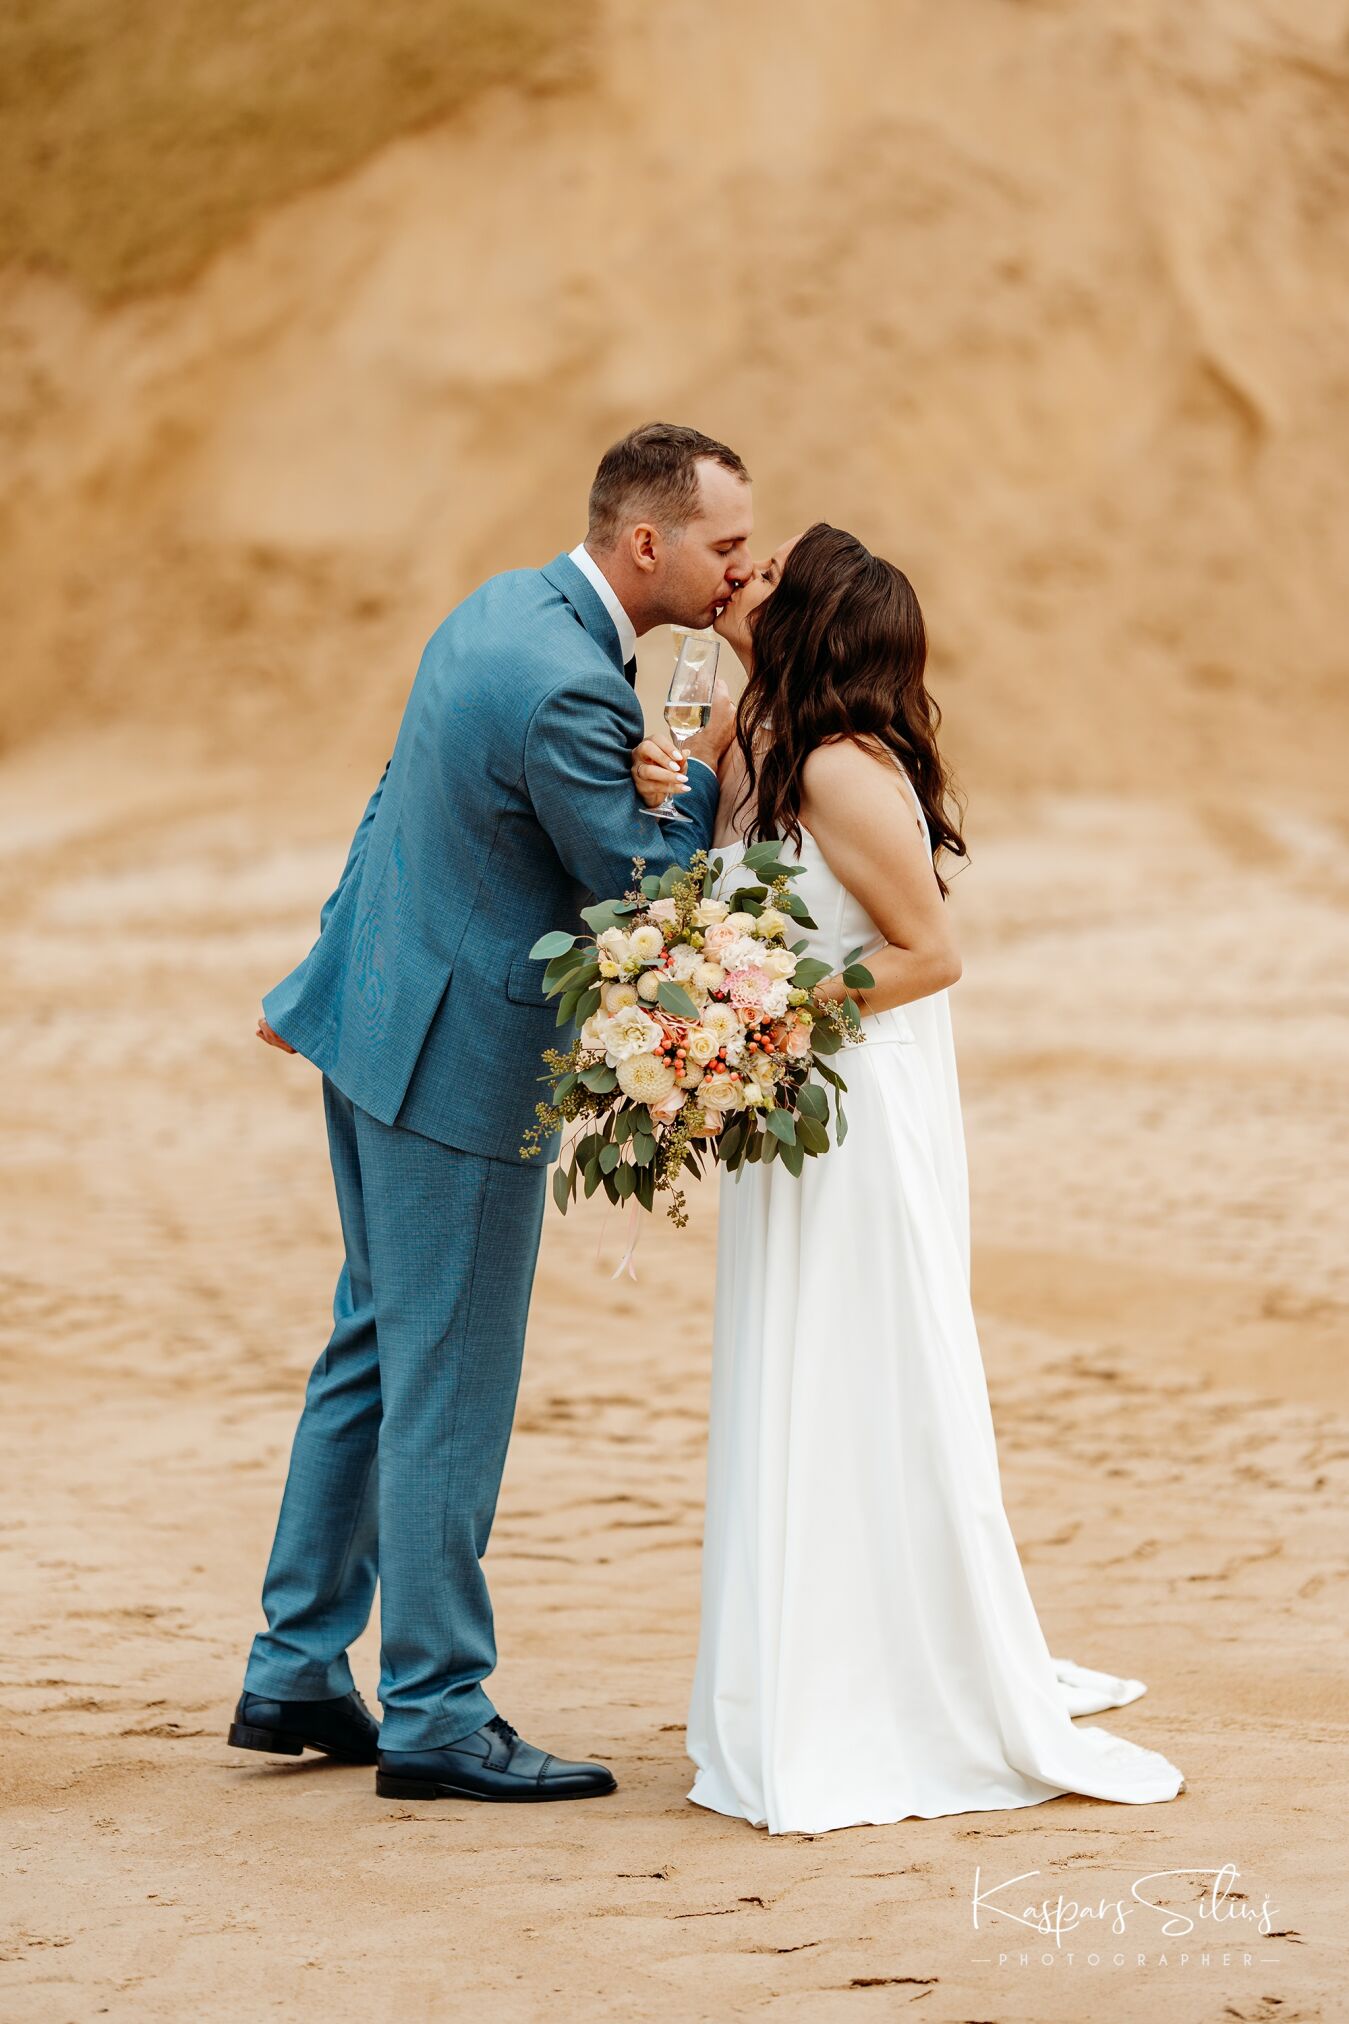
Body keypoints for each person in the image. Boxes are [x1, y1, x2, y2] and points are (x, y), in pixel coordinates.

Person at [637, 521, 1186, 1835]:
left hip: (851, 1118)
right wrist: (672, 772)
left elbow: (928, 954)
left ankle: (882, 1676)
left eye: (769, 574)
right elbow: (690, 864)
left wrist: (760, 1009)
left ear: (812, 620)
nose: (741, 576)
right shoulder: (757, 741)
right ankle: (808, 1654)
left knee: (858, 1370)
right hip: (786, 1109)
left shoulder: (836, 768)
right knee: (794, 1372)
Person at [230, 422, 751, 1803]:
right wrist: (709, 753)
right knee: (448, 1383)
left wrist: (323, 966)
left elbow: (395, 796)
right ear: (648, 542)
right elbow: (646, 891)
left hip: (375, 1020)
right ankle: (438, 1713)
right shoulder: (570, 687)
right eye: (726, 546)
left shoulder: (498, 610)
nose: (738, 569)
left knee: (376, 1348)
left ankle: (296, 1666)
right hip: (458, 1070)